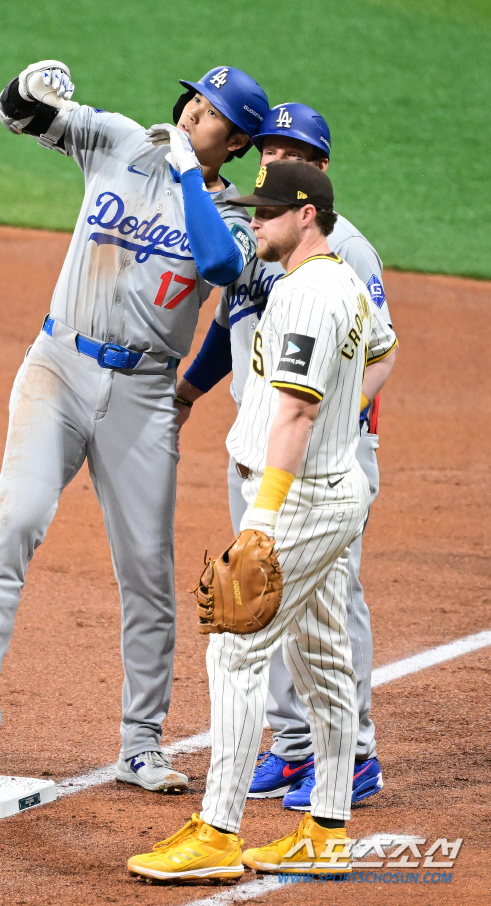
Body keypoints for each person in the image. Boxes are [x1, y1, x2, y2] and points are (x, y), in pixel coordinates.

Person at [0, 61, 270, 793]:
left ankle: (141, 742)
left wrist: (190, 175)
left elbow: (219, 266)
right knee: (15, 522)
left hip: (145, 396)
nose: (194, 111)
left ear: (240, 140)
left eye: (213, 111)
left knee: (149, 575)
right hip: (58, 368)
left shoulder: (238, 216)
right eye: (194, 97)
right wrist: (27, 86)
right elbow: (20, 117)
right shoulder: (122, 141)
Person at [128, 161, 398, 880]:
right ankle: (327, 828)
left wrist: (264, 520)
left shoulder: (309, 296)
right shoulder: (343, 279)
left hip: (300, 498)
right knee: (323, 659)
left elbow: (299, 409)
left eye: (269, 212)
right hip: (336, 489)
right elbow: (382, 353)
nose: (254, 219)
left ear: (306, 215)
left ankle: (216, 835)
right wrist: (343, 435)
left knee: (236, 650)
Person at [174, 103, 398, 808]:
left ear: (320, 172)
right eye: (267, 150)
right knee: (265, 596)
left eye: (291, 153)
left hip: (320, 455)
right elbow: (227, 327)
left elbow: (383, 350)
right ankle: (296, 747)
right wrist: (186, 394)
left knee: (329, 603)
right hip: (263, 445)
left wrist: (333, 421)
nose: (272, 162)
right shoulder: (259, 237)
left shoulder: (345, 249)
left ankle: (353, 754)